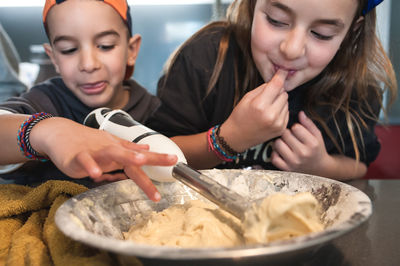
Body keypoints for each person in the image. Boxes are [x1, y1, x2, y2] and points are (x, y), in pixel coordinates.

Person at [148, 0, 397, 180]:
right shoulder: (205, 59)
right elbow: (154, 155)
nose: (292, 49)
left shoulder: (356, 88)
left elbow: (358, 164)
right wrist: (229, 139)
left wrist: (321, 166)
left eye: (322, 34)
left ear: (351, 31)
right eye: (276, 20)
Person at [0, 0, 178, 202]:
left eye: (105, 46)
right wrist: (48, 132)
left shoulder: (155, 111)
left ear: (131, 50)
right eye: (68, 50)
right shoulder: (45, 100)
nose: (88, 64)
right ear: (54, 58)